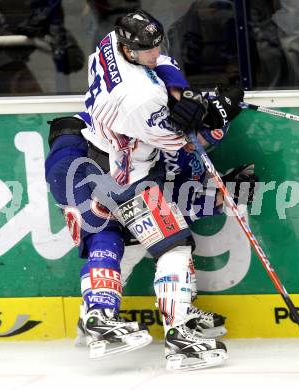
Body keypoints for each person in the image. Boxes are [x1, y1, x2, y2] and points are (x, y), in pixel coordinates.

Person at [45, 9, 256, 370]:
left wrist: (181, 90)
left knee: (113, 238)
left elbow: (164, 66)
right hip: (126, 175)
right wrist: (219, 114)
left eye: (156, 46)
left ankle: (95, 316)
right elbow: (183, 141)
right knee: (174, 243)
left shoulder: (111, 44)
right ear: (129, 49)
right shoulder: (139, 98)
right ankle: (180, 337)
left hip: (100, 158)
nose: (155, 55)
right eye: (147, 51)